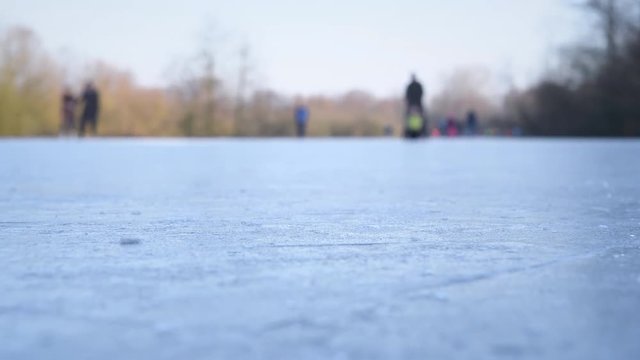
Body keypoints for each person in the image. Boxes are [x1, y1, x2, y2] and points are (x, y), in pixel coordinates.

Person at [404, 74, 427, 138]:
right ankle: (409, 133)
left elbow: (408, 96)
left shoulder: (414, 86)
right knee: (410, 119)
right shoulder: (412, 86)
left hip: (416, 104)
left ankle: (422, 133)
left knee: (420, 119)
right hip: (414, 104)